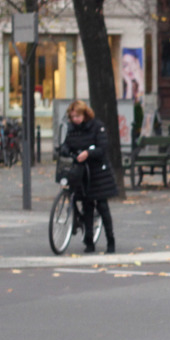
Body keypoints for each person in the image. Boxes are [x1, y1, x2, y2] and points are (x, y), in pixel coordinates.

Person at [62, 99, 117, 254]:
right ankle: (89, 241)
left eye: (78, 116)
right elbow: (67, 143)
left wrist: (88, 153)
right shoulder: (72, 128)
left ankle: (110, 240)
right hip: (82, 171)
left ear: (85, 114)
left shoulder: (96, 126)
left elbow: (103, 147)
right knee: (87, 206)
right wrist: (65, 150)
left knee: (102, 206)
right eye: (73, 117)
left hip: (98, 171)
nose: (75, 120)